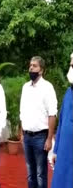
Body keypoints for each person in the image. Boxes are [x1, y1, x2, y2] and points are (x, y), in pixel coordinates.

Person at [20, 56, 57, 188]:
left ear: (41, 70)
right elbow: (22, 111)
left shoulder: (47, 88)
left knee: (41, 174)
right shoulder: (25, 87)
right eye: (30, 65)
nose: (31, 68)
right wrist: (22, 133)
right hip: (27, 137)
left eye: (34, 66)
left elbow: (52, 114)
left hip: (41, 137)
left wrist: (49, 139)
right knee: (30, 173)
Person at [51, 53, 73, 188]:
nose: (71, 69)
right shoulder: (68, 93)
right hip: (64, 154)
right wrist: (56, 150)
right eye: (71, 65)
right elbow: (61, 124)